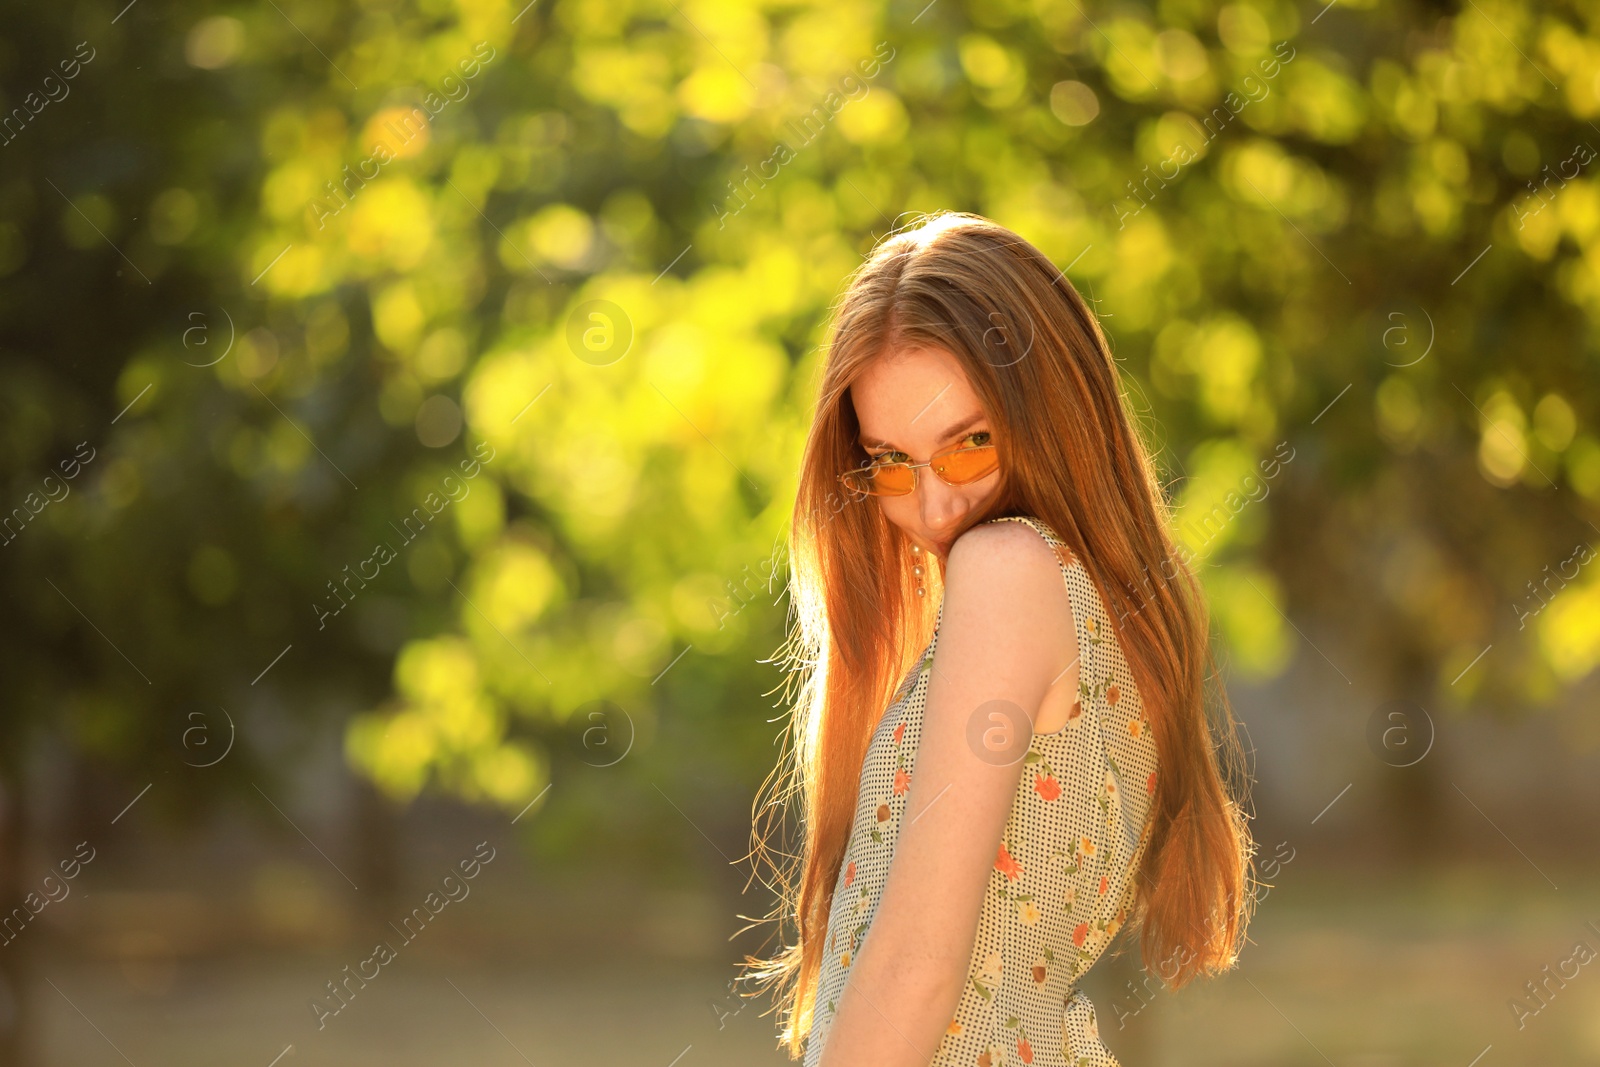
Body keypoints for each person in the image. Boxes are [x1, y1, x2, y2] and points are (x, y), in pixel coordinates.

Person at [737, 212, 1257, 1067]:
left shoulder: (1010, 568)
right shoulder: (1090, 603)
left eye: (970, 443)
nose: (935, 506)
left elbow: (915, 966)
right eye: (891, 462)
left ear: (1050, 408)